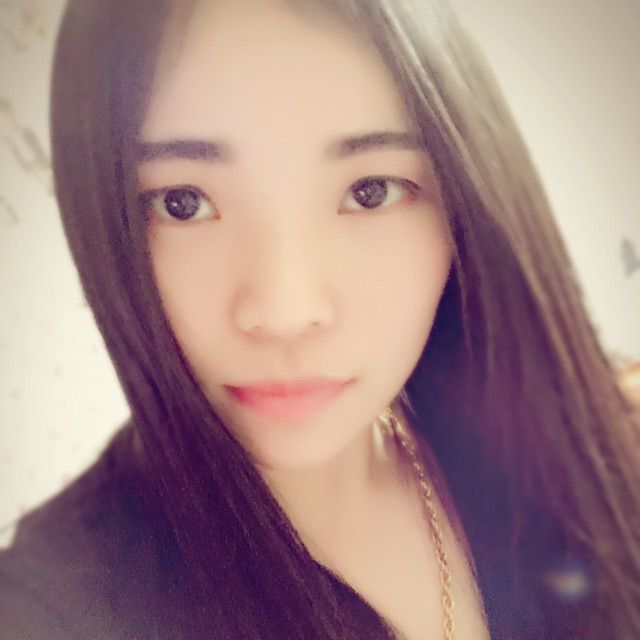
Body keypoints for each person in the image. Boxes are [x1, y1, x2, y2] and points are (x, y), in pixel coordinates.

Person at [1, 0, 639, 638]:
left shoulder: (590, 455)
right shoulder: (52, 608)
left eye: (370, 192)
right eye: (183, 202)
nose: (285, 313)